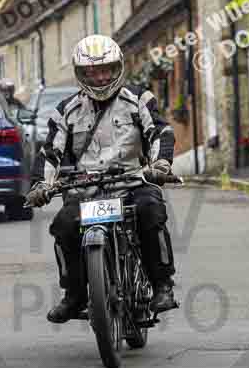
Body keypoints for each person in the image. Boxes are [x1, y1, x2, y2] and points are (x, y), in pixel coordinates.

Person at [27, 34, 178, 324]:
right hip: (85, 190)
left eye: (105, 69)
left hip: (133, 183)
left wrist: (160, 164)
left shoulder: (138, 100)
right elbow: (50, 152)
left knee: (151, 210)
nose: (99, 77)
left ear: (117, 67)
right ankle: (74, 295)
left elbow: (159, 132)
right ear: (81, 74)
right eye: (91, 72)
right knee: (63, 226)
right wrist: (42, 185)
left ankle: (162, 285)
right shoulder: (66, 111)